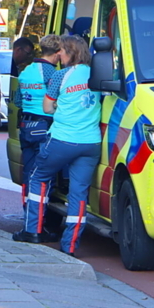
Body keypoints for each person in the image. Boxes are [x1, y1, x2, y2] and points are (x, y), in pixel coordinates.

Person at [14, 35, 101, 256]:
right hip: (91, 142)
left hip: (62, 139)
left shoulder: (61, 75)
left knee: (38, 177)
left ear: (71, 52)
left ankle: (32, 230)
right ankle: (70, 246)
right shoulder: (99, 74)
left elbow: (47, 107)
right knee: (79, 193)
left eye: (62, 51)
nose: (59, 55)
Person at [13, 35, 61, 199]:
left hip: (26, 126)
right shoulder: (52, 73)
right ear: (57, 53)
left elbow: (18, 100)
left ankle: (28, 211)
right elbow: (58, 101)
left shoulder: (26, 70)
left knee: (29, 171)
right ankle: (41, 216)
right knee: (43, 174)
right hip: (44, 126)